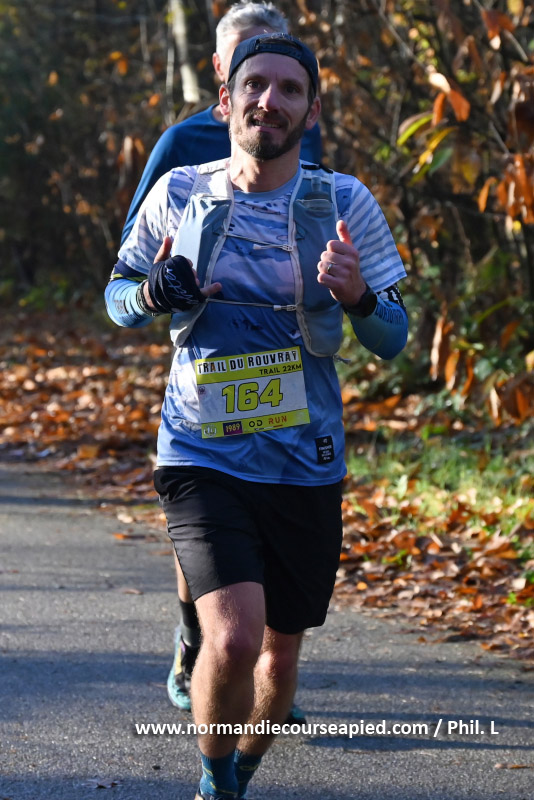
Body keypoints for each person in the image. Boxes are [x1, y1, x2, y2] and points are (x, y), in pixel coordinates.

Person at [106, 32, 408, 800]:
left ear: (311, 111)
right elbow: (117, 298)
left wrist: (357, 297)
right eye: (255, 85)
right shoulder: (179, 191)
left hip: (304, 458)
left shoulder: (344, 203)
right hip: (200, 449)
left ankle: (238, 772)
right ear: (226, 99)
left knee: (278, 655)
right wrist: (154, 292)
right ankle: (214, 784)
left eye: (289, 90)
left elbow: (393, 337)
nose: (269, 101)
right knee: (236, 639)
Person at [121, 1, 317, 724]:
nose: (266, 93)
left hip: (286, 367)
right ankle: (196, 639)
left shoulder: (295, 127)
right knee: (210, 502)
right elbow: (134, 256)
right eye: (247, 65)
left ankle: (268, 671)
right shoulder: (183, 144)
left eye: (280, 67)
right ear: (222, 73)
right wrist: (159, 288)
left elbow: (323, 214)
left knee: (270, 511)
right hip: (201, 352)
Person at [120, 1, 321, 245]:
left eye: (272, 52)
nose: (258, 59)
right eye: (243, 53)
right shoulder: (181, 142)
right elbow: (136, 241)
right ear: (218, 66)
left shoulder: (302, 132)